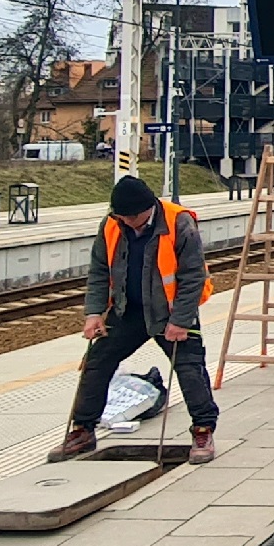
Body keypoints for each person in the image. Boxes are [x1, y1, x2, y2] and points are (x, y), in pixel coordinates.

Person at [52, 176, 219, 464]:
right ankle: (83, 430)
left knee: (190, 368)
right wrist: (94, 313)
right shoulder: (112, 224)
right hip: (127, 311)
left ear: (148, 208)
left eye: (133, 218)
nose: (128, 223)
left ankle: (203, 430)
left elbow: (193, 276)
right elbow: (99, 271)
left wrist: (180, 321)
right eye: (123, 218)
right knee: (96, 362)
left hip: (171, 313)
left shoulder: (179, 223)